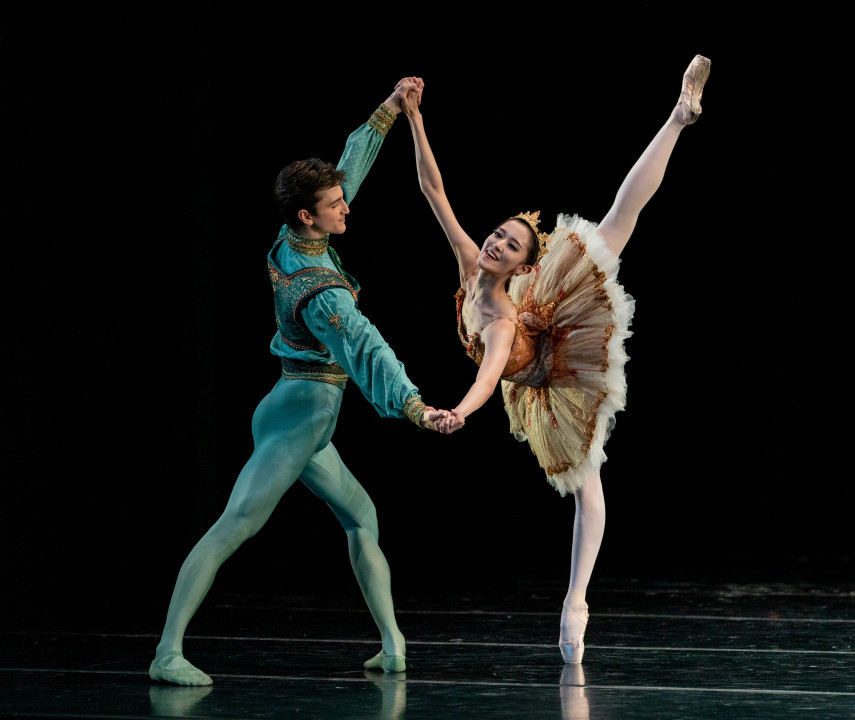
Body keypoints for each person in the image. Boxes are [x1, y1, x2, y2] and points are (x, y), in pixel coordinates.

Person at [401, 56, 711, 663]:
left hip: (557, 362)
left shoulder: (502, 320)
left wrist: (459, 410)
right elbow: (431, 190)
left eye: (509, 244)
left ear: (523, 267)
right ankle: (675, 118)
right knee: (618, 225)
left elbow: (490, 375)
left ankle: (576, 601)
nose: (493, 242)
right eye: (496, 234)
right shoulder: (471, 263)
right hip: (529, 368)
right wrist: (414, 116)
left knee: (618, 225)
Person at [149, 77, 449, 686]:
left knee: (362, 518)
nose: (349, 206)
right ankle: (166, 653)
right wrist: (416, 407)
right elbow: (367, 347)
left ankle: (393, 644)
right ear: (310, 217)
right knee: (234, 526)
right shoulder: (323, 293)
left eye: (343, 198)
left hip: (306, 414)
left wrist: (389, 112)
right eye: (337, 204)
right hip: (299, 415)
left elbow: (345, 172)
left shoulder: (294, 236)